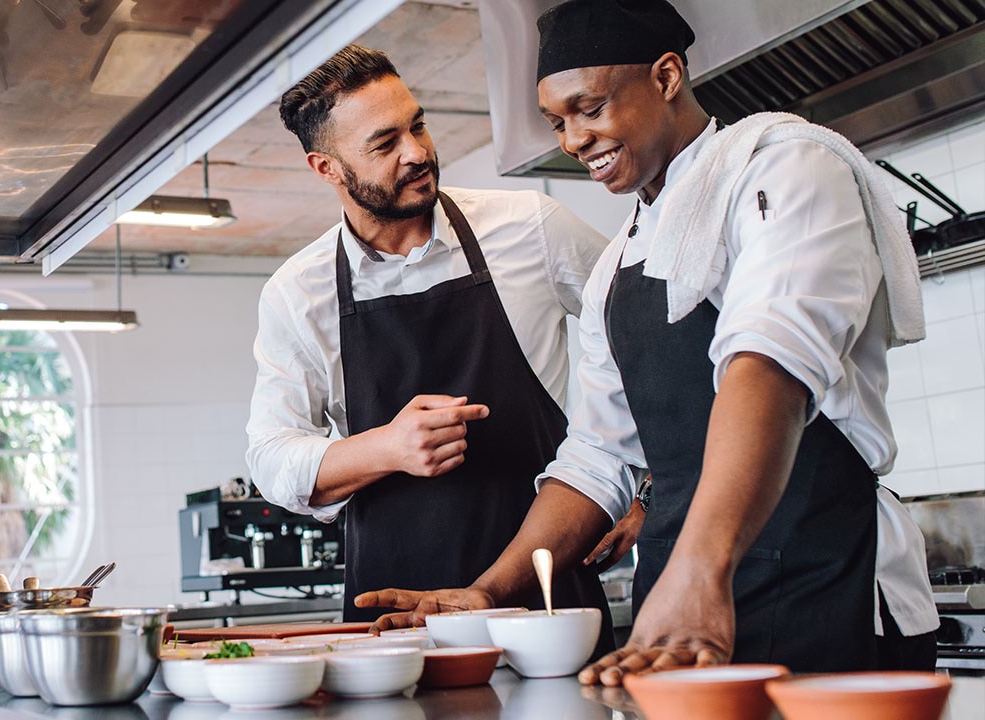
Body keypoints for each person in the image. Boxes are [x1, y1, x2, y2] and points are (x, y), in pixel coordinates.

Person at [355, 0, 939, 683]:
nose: (573, 138)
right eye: (557, 122)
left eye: (590, 107)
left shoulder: (787, 169)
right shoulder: (614, 268)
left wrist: (700, 568)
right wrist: (490, 590)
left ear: (665, 77)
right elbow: (598, 459)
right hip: (681, 614)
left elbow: (770, 364)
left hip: (827, 579)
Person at [244, 44, 617, 650]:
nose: (417, 152)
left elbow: (651, 341)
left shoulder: (531, 228)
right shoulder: (297, 292)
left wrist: (642, 491)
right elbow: (270, 458)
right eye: (384, 143)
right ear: (327, 168)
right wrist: (387, 447)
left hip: (546, 599)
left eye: (417, 125)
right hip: (393, 618)